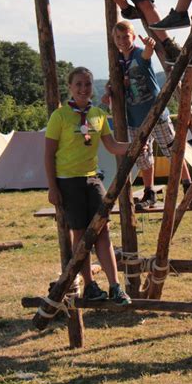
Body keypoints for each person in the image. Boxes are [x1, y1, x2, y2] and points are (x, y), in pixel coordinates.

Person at [45, 66, 132, 306]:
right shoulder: (60, 116)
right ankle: (90, 286)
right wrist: (52, 187)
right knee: (81, 234)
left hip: (92, 178)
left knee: (102, 230)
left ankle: (115, 286)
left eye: (87, 84)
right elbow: (48, 153)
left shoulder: (98, 115)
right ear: (70, 88)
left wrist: (134, 145)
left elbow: (113, 146)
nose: (83, 89)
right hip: (68, 181)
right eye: (78, 85)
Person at [103, 20, 192, 210]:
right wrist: (109, 93)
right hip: (134, 118)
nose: (122, 41)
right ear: (114, 39)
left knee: (173, 151)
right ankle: (150, 192)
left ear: (133, 36)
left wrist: (150, 46)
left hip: (156, 113)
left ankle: (190, 190)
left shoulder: (139, 54)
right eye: (119, 37)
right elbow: (115, 85)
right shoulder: (118, 63)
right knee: (142, 156)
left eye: (126, 37)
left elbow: (147, 55)